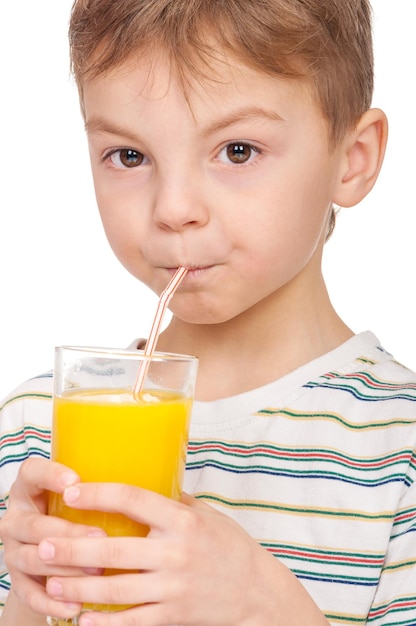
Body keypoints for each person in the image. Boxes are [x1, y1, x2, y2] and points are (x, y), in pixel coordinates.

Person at [0, 0, 415, 624]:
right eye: (129, 156)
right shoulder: (37, 433)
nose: (174, 207)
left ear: (352, 159)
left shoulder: (397, 450)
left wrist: (260, 606)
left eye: (239, 151)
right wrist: (35, 602)